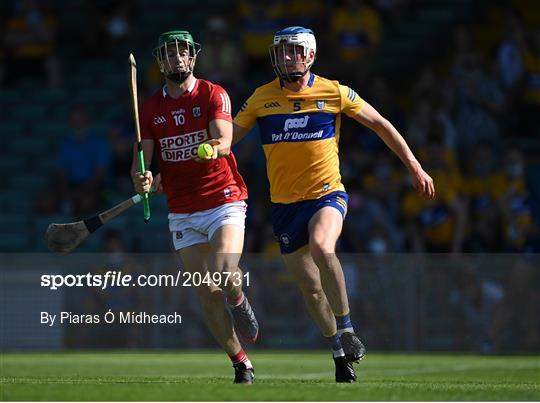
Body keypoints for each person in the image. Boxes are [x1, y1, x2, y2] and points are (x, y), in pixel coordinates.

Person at [232, 26, 435, 382]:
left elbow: (381, 124)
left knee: (323, 247)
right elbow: (227, 140)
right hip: (284, 206)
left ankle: (347, 327)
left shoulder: (334, 91)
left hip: (327, 194)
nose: (286, 58)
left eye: (294, 51)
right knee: (310, 288)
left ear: (310, 55)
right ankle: (339, 353)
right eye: (281, 52)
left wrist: (414, 166)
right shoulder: (262, 97)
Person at [131, 30, 258, 384]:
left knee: (222, 270)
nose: (177, 58)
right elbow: (141, 162)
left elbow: (225, 138)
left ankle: (238, 299)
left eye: (182, 52)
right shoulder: (151, 108)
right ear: (161, 61)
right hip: (182, 209)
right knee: (206, 291)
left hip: (222, 198)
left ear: (192, 57)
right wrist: (142, 180)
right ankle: (240, 363)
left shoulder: (212, 93)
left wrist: (212, 148)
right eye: (170, 54)